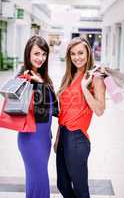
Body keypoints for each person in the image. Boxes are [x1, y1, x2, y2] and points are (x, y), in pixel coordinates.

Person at [54, 37, 106, 198]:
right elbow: (63, 112)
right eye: (73, 54)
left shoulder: (95, 77)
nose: (77, 57)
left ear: (88, 53)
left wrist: (84, 88)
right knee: (62, 184)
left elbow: (99, 110)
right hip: (63, 135)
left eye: (81, 53)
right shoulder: (69, 76)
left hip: (77, 139)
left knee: (81, 190)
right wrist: (58, 138)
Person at [17, 35, 58, 198]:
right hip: (30, 140)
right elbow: (27, 109)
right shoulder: (23, 78)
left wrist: (41, 82)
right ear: (28, 54)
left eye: (44, 54)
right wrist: (37, 84)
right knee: (39, 183)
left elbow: (54, 108)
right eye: (36, 54)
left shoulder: (43, 76)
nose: (41, 58)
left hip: (44, 139)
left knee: (35, 182)